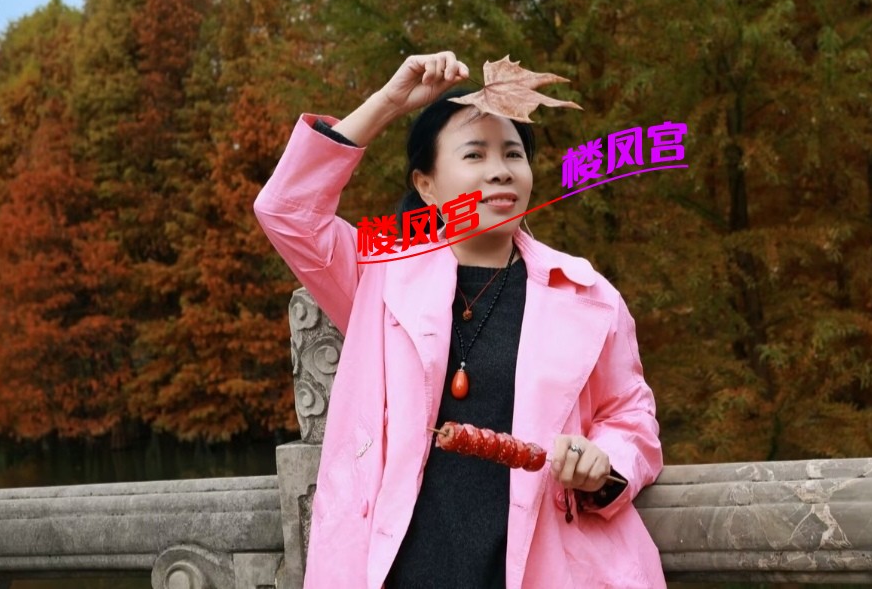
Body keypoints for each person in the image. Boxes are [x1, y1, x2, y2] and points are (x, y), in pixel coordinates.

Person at [253, 51, 666, 589]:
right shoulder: (379, 276)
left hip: (548, 566)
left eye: (513, 153)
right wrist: (388, 103)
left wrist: (603, 462)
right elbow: (287, 210)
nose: (500, 169)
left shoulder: (586, 294)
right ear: (427, 186)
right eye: (475, 153)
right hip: (400, 572)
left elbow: (630, 415)